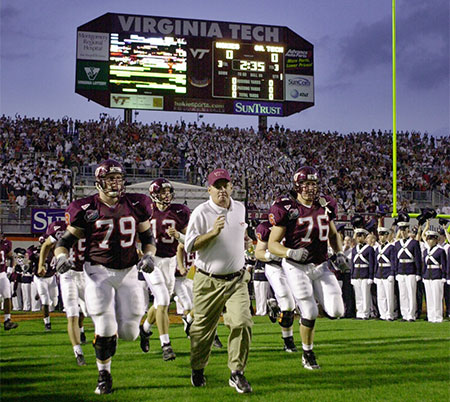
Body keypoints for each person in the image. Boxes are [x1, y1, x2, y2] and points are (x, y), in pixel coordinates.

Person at [54, 159, 156, 395]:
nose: (116, 183)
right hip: (98, 272)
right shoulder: (86, 208)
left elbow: (148, 239)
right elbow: (64, 242)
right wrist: (61, 258)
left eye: (119, 178)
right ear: (99, 182)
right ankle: (104, 374)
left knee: (130, 331)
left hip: (129, 271)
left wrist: (149, 256)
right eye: (110, 178)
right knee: (105, 324)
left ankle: (113, 341)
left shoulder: (137, 203)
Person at [268, 166, 345, 371]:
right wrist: (290, 253)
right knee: (309, 311)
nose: (311, 188)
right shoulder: (288, 208)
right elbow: (272, 243)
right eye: (306, 184)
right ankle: (307, 353)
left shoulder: (325, 205)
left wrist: (339, 253)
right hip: (296, 266)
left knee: (337, 310)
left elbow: (333, 234)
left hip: (320, 265)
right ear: (297, 186)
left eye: (314, 184)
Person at [185, 168, 253, 394]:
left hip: (236, 279)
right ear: (209, 189)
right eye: (217, 186)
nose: (222, 190)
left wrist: (245, 241)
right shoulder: (201, 212)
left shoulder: (240, 209)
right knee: (202, 332)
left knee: (242, 322)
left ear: (231, 187)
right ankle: (198, 368)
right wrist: (212, 233)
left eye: (226, 186)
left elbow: (239, 235)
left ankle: (237, 372)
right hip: (208, 281)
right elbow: (189, 245)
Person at [139, 178, 190, 361]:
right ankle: (166, 344)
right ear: (154, 194)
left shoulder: (180, 211)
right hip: (152, 260)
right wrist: (142, 255)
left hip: (169, 261)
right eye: (162, 192)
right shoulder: (146, 210)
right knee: (162, 299)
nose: (166, 195)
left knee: (162, 302)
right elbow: (134, 237)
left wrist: (179, 236)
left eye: (168, 191)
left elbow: (189, 240)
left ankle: (145, 329)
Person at [41, 219, 87, 366]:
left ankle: (95, 339)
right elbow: (46, 244)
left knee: (94, 312)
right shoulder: (60, 228)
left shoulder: (91, 225)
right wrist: (41, 264)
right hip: (67, 273)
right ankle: (78, 351)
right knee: (72, 313)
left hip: (88, 274)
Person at [254, 220, 298, 352]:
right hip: (275, 267)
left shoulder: (300, 224)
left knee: (303, 303)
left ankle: (275, 307)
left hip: (295, 267)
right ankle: (288, 341)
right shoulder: (266, 227)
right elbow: (258, 252)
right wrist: (270, 255)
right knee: (288, 303)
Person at [393, 213, 422, 321]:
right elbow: (395, 259)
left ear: (408, 229)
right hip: (401, 271)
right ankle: (405, 314)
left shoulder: (414, 243)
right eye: (401, 229)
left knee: (411, 294)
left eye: (404, 229)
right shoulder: (397, 244)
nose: (403, 231)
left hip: (411, 271)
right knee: (403, 294)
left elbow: (418, 259)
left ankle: (411, 315)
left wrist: (418, 273)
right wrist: (396, 272)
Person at [350, 228, 376, 320]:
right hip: (357, 274)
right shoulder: (354, 249)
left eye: (360, 236)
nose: (358, 238)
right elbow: (352, 263)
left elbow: (372, 264)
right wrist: (352, 276)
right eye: (357, 236)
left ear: (364, 237)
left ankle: (366, 312)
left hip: (365, 274)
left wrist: (370, 276)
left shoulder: (369, 249)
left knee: (365, 295)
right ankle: (359, 312)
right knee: (358, 295)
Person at [422, 230, 447, 323]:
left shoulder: (440, 251)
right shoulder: (425, 251)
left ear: (436, 240)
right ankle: (431, 316)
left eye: (431, 239)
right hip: (428, 275)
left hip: (437, 276)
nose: (429, 241)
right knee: (429, 297)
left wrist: (444, 276)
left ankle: (438, 316)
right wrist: (424, 275)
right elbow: (424, 265)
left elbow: (444, 264)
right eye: (428, 239)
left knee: (437, 297)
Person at [374, 227, 396, 321]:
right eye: (379, 235)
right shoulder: (377, 248)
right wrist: (375, 274)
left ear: (387, 236)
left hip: (387, 272)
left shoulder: (391, 247)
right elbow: (376, 263)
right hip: (380, 273)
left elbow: (393, 261)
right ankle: (382, 314)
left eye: (383, 235)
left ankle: (390, 314)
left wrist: (392, 273)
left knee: (389, 295)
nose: (381, 237)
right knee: (381, 296)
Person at [0, 230, 18, 330]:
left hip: (2, 274)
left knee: (7, 296)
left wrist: (10, 269)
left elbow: (11, 256)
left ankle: (7, 321)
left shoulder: (6, 244)